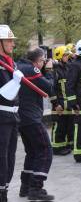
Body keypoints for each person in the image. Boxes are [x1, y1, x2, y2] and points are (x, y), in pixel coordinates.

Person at [17, 48, 54, 201]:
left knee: (32, 152)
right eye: (43, 61)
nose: (44, 63)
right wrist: (50, 71)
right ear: (37, 60)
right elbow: (49, 87)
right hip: (31, 118)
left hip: (21, 117)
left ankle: (25, 187)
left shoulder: (19, 66)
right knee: (45, 150)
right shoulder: (31, 69)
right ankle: (36, 188)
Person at [0, 25, 23, 201]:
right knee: (2, 156)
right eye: (8, 41)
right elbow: (4, 94)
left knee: (11, 155)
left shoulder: (10, 63)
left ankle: (5, 188)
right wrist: (15, 82)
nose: (12, 44)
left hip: (13, 116)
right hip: (1, 116)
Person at [50, 46, 74, 155]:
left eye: (67, 55)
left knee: (68, 127)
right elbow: (51, 89)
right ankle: (57, 148)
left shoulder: (68, 68)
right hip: (59, 104)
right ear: (59, 56)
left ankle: (67, 145)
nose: (67, 57)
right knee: (59, 127)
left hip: (68, 104)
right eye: (65, 55)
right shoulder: (55, 70)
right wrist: (55, 104)